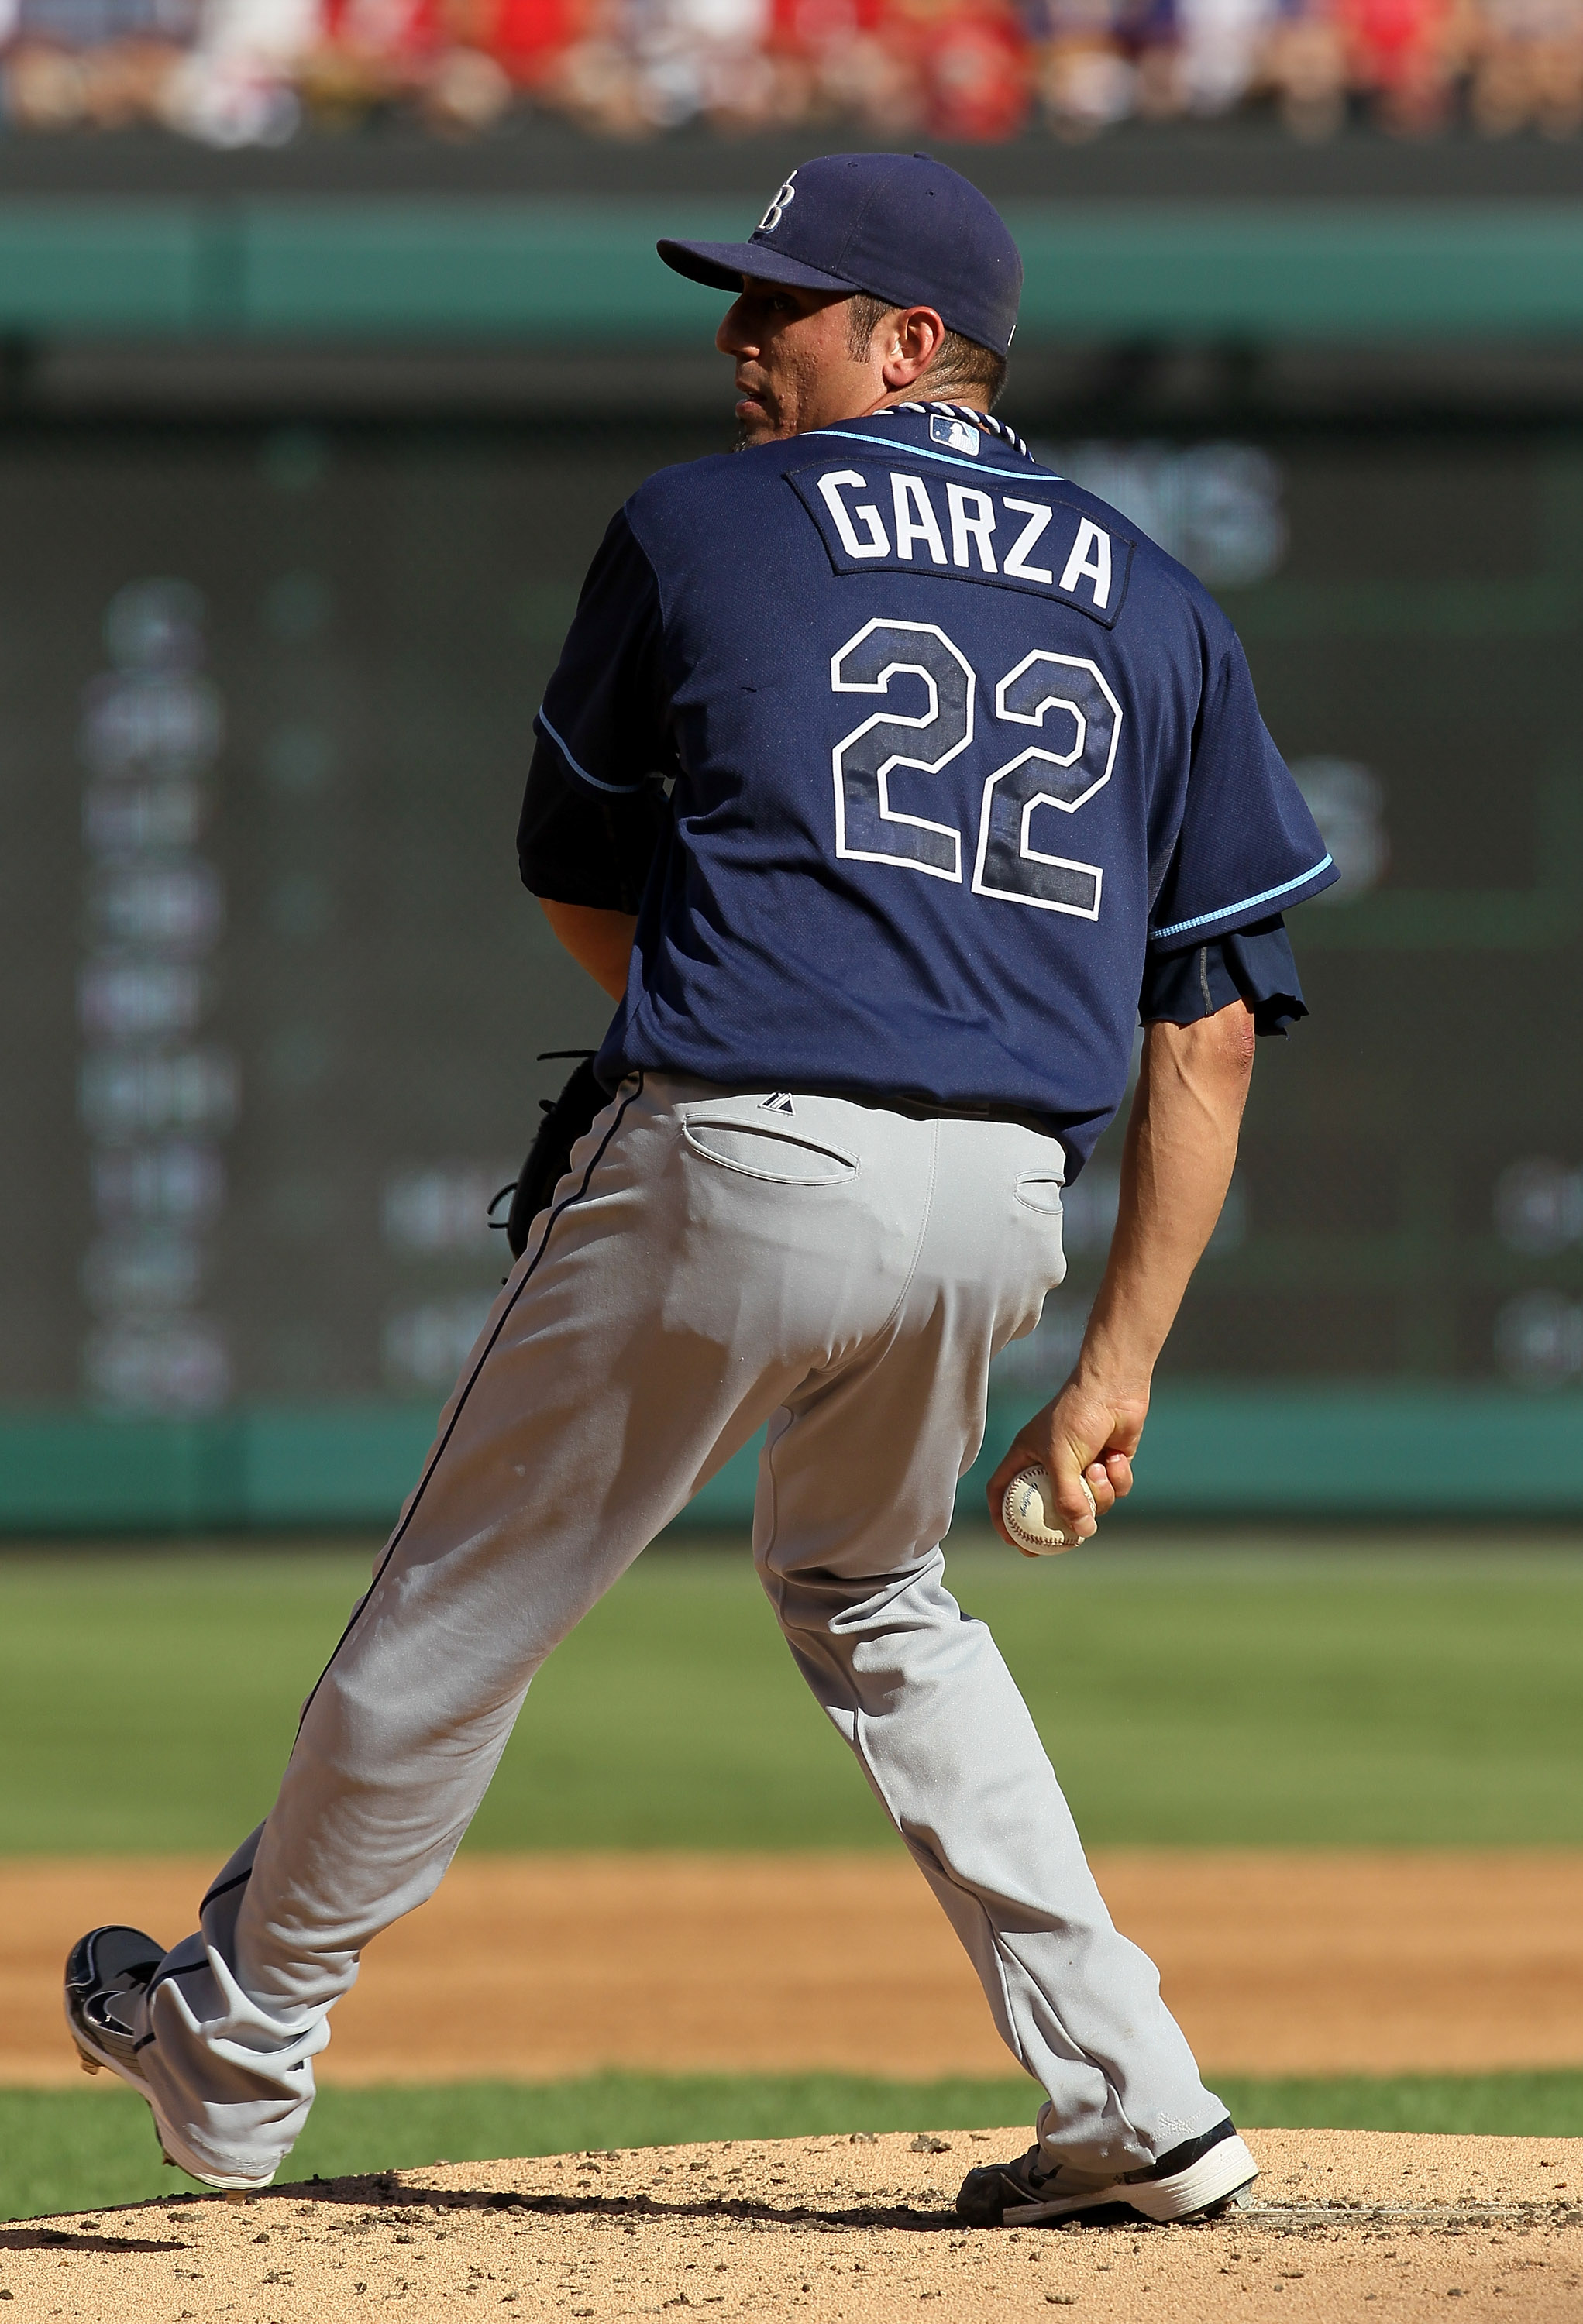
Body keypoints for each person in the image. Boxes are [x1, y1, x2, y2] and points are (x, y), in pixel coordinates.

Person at [66, 151, 1336, 2228]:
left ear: (911, 344)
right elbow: (1200, 1026)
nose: (739, 337)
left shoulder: (699, 522)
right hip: (999, 1202)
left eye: (786, 306)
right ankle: (1134, 2094)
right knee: (877, 1595)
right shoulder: (1154, 587)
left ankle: (237, 2036)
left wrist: (735, 1027)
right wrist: (1113, 1365)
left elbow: (577, 864)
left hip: (744, 1144)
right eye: (741, 300)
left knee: (464, 1612)